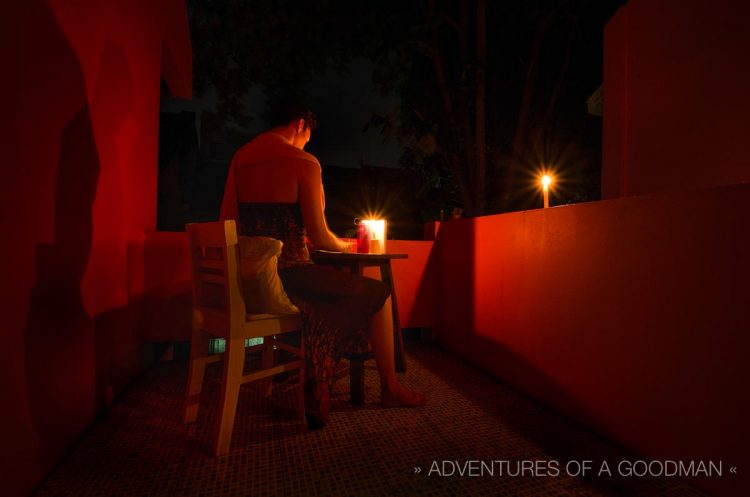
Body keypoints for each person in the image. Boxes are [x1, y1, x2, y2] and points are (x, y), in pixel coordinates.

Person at [220, 98, 425, 428]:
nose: (306, 143)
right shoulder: (304, 163)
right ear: (301, 123)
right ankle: (390, 388)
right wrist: (344, 244)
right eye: (307, 136)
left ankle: (317, 370)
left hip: (251, 282)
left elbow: (226, 223)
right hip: (291, 278)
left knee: (339, 293)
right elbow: (318, 235)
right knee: (379, 292)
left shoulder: (241, 158)